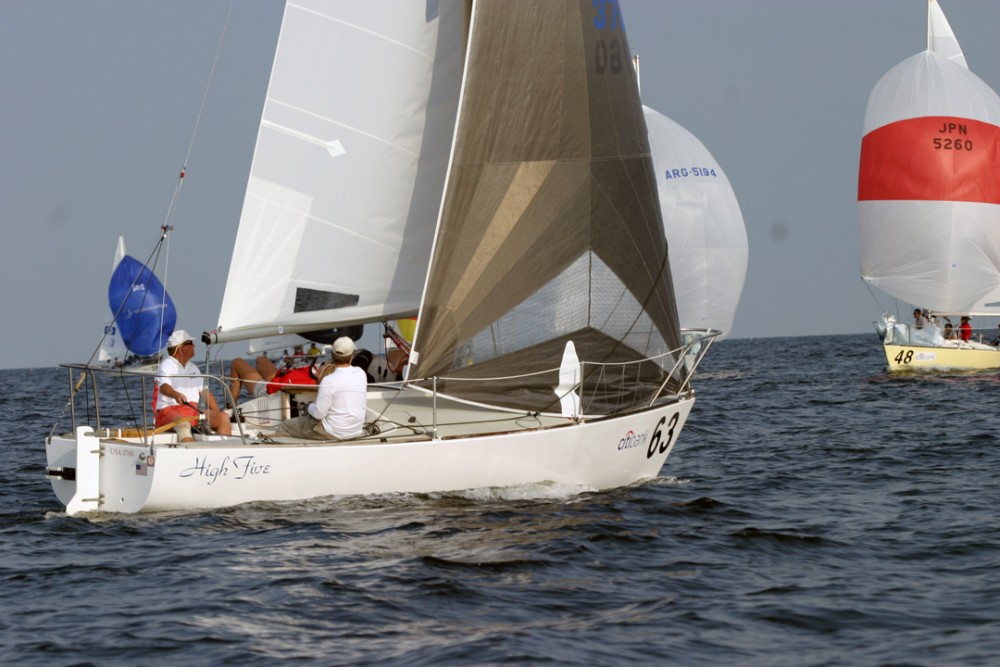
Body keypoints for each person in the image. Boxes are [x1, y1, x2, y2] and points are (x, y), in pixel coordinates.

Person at [276, 337, 368, 440]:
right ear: (351, 356)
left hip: (333, 432)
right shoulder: (361, 373)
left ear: (333, 356)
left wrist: (307, 406)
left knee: (284, 426)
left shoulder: (329, 381)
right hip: (356, 430)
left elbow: (318, 414)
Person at [154, 329, 231, 442]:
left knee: (223, 418)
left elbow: (205, 393)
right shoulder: (167, 365)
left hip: (193, 411)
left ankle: (224, 455)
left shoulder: (193, 368)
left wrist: (218, 412)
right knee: (183, 425)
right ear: (181, 348)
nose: (194, 345)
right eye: (190, 343)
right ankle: (191, 457)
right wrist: (175, 395)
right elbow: (163, 386)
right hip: (169, 412)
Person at [229, 355, 319, 402]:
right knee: (261, 359)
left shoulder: (323, 370)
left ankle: (231, 407)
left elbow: (273, 388)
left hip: (272, 390)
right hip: (283, 380)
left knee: (237, 362)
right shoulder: (327, 371)